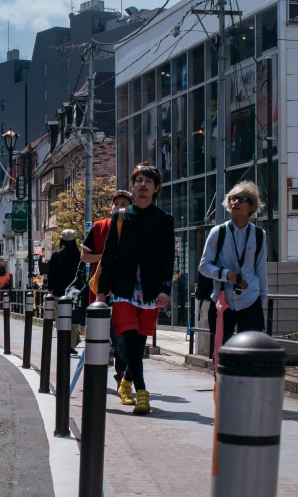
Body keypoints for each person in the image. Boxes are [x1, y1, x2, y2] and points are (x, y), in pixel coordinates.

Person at [98, 165, 175, 415]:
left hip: (151, 291)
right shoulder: (120, 218)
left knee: (138, 343)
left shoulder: (165, 220)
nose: (143, 184)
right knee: (130, 339)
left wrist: (166, 288)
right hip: (123, 289)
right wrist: (101, 292)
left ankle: (126, 383)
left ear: (156, 188)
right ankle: (142, 392)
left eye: (148, 181)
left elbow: (168, 258)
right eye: (138, 180)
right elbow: (108, 256)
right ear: (132, 186)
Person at [198, 181, 268, 346]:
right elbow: (203, 266)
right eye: (232, 198)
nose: (235, 202)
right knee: (222, 352)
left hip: (251, 299)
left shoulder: (259, 234)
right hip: (222, 300)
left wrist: (261, 300)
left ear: (251, 207)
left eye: (241, 198)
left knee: (251, 352)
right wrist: (226, 274)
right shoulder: (218, 232)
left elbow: (261, 270)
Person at [81, 190, 134, 388]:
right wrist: (106, 257)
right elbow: (85, 257)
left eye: (125, 203)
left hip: (128, 290)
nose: (120, 206)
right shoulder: (98, 227)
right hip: (101, 289)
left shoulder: (136, 226)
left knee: (122, 335)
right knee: (104, 335)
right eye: (117, 203)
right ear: (111, 207)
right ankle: (102, 376)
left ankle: (122, 375)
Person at [48, 229, 81, 353]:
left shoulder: (56, 255)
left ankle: (62, 343)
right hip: (73, 293)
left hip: (58, 293)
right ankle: (71, 345)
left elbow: (50, 275)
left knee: (60, 320)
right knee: (72, 321)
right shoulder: (78, 255)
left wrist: (50, 289)